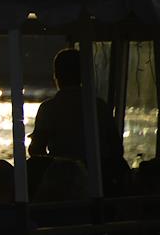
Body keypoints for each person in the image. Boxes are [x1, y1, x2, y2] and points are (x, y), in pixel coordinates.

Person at [30, 48, 126, 193]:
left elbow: (36, 150)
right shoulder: (99, 106)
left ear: (56, 75)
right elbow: (116, 148)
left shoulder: (49, 108)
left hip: (61, 183)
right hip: (100, 181)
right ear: (83, 75)